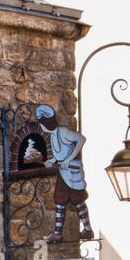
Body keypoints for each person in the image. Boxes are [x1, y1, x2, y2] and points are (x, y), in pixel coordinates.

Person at [36, 104, 95, 242]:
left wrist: (69, 158)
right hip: (63, 171)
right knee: (60, 200)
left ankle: (87, 229)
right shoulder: (52, 135)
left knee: (78, 200)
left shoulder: (62, 131)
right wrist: (52, 160)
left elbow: (81, 139)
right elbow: (61, 152)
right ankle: (57, 233)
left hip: (72, 170)